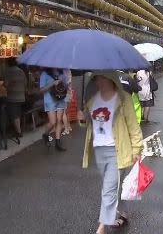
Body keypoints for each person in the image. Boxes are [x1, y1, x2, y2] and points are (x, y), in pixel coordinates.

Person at [77, 72, 142, 234]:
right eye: (96, 78)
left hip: (117, 150)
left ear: (110, 79)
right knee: (113, 187)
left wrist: (137, 149)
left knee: (109, 188)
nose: (97, 81)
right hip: (99, 151)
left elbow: (133, 126)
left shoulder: (123, 99)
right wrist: (82, 118)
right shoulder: (93, 100)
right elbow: (87, 124)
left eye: (100, 77)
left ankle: (101, 227)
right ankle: (123, 211)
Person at [40, 68, 67, 151]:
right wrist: (52, 83)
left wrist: (62, 82)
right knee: (53, 122)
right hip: (49, 99)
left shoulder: (62, 72)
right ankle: (45, 134)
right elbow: (41, 90)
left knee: (59, 120)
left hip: (61, 98)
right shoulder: (44, 74)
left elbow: (65, 86)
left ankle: (58, 143)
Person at [4, 58, 27, 140]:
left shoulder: (8, 72)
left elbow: (6, 85)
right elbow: (25, 83)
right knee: (18, 113)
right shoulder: (21, 71)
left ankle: (18, 132)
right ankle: (18, 130)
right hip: (21, 96)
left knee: (14, 115)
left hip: (12, 96)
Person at [61, 69, 74, 135]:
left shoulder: (62, 72)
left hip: (64, 93)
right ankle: (68, 126)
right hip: (69, 93)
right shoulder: (69, 70)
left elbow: (64, 84)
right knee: (66, 111)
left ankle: (66, 129)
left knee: (63, 112)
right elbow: (70, 84)